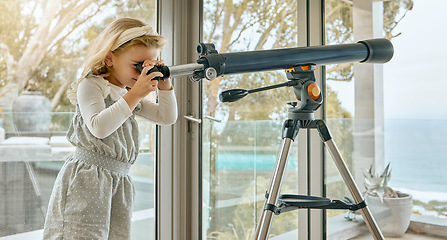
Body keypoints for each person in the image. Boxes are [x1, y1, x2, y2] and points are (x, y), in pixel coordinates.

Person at [43, 17, 177, 239]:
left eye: (150, 66)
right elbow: (99, 127)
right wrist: (136, 94)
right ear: (109, 58)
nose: (143, 73)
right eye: (138, 66)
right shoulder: (92, 85)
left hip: (118, 184)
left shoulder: (127, 95)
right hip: (87, 181)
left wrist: (165, 86)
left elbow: (166, 117)